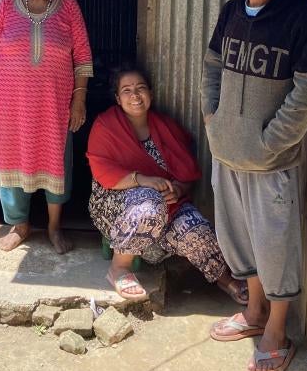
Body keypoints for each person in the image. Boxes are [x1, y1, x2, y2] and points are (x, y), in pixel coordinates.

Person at [200, 0, 307, 371]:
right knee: (238, 240)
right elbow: (213, 64)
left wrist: (270, 141)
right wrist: (212, 120)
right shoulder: (233, 10)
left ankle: (277, 330)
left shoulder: (302, 18)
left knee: (274, 245)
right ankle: (254, 314)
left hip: (269, 160)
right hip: (227, 152)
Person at [86, 65, 248, 305]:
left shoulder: (165, 127)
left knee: (197, 229)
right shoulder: (106, 125)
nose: (135, 95)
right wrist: (144, 181)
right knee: (150, 205)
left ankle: (225, 280)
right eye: (127, 90)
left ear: (150, 93)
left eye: (140, 88)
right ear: (118, 98)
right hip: (114, 206)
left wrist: (178, 190)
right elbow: (102, 172)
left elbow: (187, 176)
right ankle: (119, 268)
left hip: (166, 208)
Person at [0, 0, 93, 254]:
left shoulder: (68, 5)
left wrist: (78, 100)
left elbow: (82, 56)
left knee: (57, 161)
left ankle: (55, 226)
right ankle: (20, 224)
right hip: (10, 103)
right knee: (12, 157)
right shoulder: (6, 3)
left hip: (53, 104)